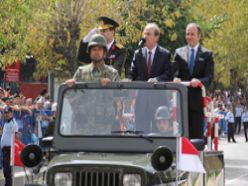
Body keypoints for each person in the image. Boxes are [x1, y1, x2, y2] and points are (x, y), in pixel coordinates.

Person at [173, 23, 214, 139]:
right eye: (187, 34)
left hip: (197, 103)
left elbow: (209, 78)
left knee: (196, 137)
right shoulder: (178, 53)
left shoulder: (207, 54)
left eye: (192, 34)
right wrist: (175, 78)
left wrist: (199, 81)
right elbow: (174, 72)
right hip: (181, 101)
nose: (189, 37)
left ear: (199, 36)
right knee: (181, 137)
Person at [1, 106, 19, 186]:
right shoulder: (6, 123)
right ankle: (7, 184)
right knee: (5, 169)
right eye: (5, 113)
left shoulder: (13, 123)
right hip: (5, 149)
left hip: (9, 149)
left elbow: (16, 136)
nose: (6, 114)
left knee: (7, 170)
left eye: (8, 113)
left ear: (12, 113)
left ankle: (8, 184)